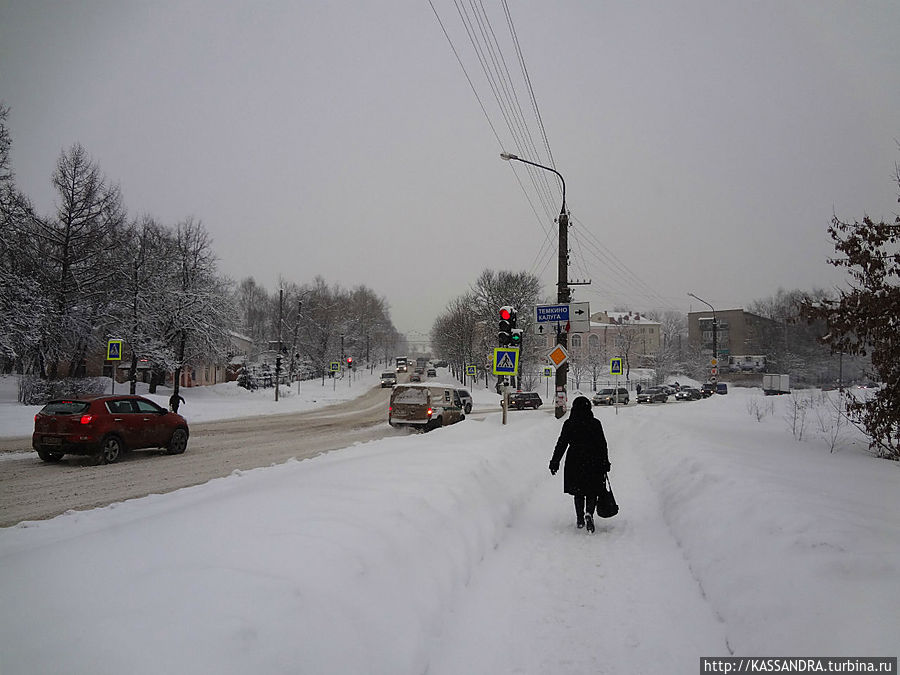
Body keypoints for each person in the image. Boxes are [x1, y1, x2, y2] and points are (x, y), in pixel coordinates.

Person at [548, 396, 611, 533]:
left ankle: (580, 518)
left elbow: (562, 444)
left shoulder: (569, 424)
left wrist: (555, 461)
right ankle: (589, 513)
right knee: (592, 490)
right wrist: (605, 461)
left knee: (578, 492)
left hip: (575, 460)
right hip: (593, 460)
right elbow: (602, 444)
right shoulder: (595, 423)